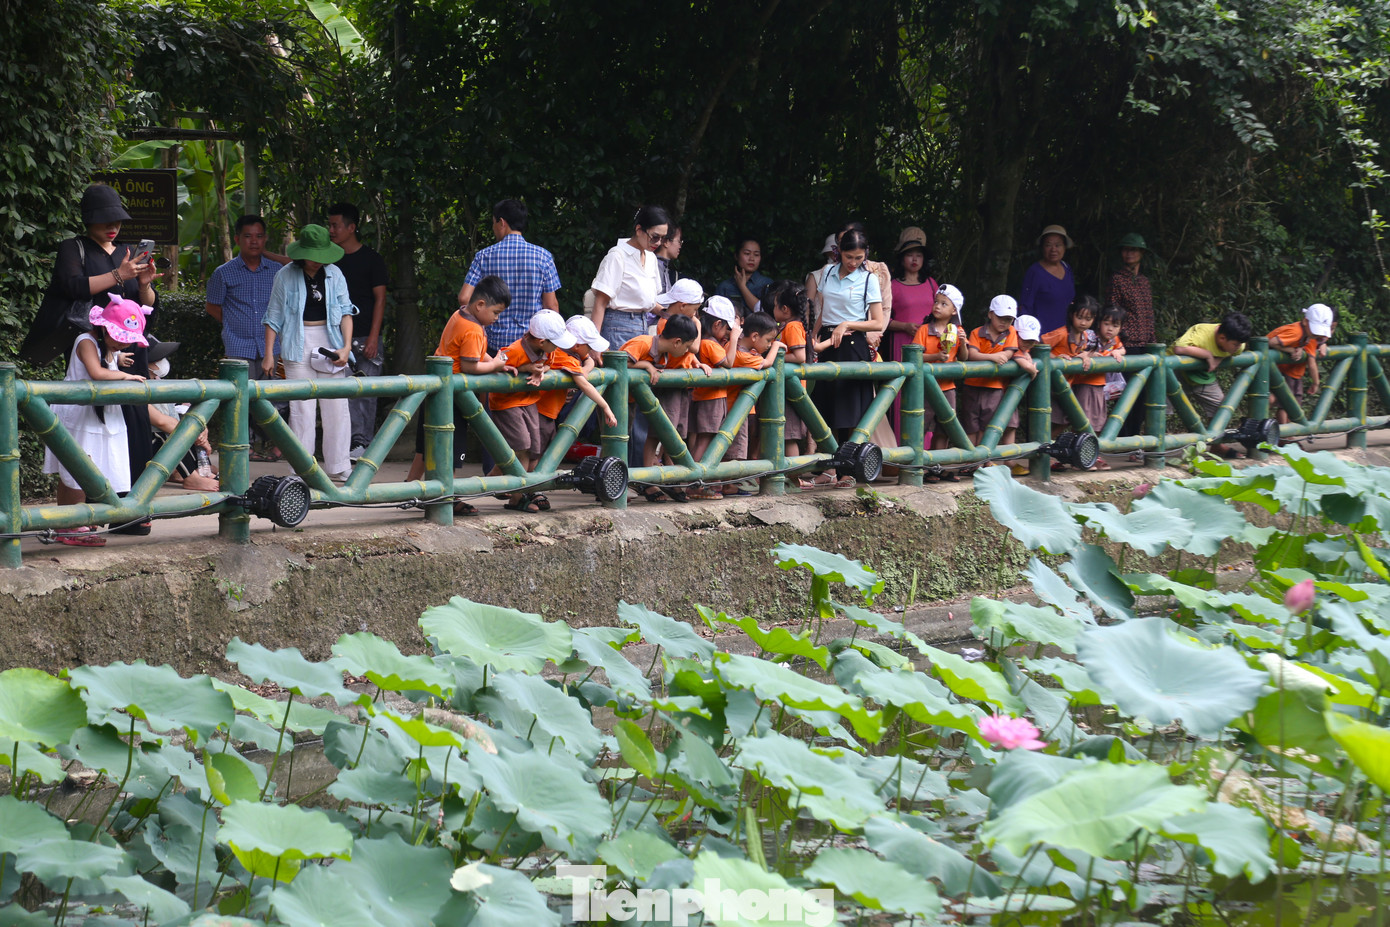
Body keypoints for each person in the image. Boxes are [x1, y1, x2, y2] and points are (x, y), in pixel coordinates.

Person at [37, 184, 162, 535]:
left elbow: (146, 309)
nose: (113, 226)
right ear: (88, 219)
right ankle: (84, 516)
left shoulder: (127, 251)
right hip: (92, 345)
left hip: (131, 348)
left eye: (117, 220)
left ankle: (131, 511)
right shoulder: (73, 248)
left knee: (134, 424)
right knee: (92, 430)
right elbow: (72, 287)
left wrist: (144, 284)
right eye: (105, 220)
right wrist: (119, 275)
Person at [42, 295, 150, 546]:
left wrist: (116, 359)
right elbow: (96, 371)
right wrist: (124, 375)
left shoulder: (107, 347)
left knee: (91, 469)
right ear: (103, 328)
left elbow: (104, 364)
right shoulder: (85, 341)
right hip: (82, 415)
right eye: (119, 337)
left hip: (100, 416)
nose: (123, 344)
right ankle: (70, 523)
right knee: (78, 469)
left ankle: (70, 521)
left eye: (127, 340)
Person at [403, 276, 516, 510]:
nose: (496, 318)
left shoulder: (460, 314)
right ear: (480, 305)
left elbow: (475, 354)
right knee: (451, 448)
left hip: (436, 389)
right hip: (453, 396)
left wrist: (494, 363)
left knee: (426, 444)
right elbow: (470, 366)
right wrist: (495, 365)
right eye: (496, 313)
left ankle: (409, 488)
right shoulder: (473, 328)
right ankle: (447, 497)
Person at [261, 225, 357, 482]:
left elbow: (346, 312)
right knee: (301, 408)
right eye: (313, 255)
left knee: (337, 406)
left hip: (331, 340)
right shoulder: (285, 275)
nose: (317, 260)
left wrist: (346, 347)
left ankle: (339, 465)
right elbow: (273, 316)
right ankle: (302, 468)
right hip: (296, 342)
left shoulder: (335, 273)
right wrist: (269, 353)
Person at [592, 205, 671, 468]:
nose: (658, 243)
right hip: (617, 325)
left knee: (638, 399)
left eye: (663, 239)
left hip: (642, 325)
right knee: (619, 402)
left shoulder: (651, 258)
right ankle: (612, 472)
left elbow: (650, 301)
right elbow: (601, 302)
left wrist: (673, 315)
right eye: (655, 237)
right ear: (639, 230)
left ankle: (632, 472)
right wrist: (594, 344)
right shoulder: (617, 256)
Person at [207, 214, 287, 461]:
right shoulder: (224, 273)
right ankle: (245, 445)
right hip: (238, 344)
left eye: (259, 236)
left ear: (265, 239)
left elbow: (301, 264)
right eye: (248, 236)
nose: (254, 241)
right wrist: (233, 324)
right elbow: (212, 306)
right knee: (240, 399)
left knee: (275, 397)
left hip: (271, 345)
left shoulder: (277, 271)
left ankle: (279, 444)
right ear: (237, 239)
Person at [488, 311, 583, 513]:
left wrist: (540, 370)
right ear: (541, 341)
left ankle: (497, 483)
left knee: (533, 449)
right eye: (555, 343)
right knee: (522, 447)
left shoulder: (548, 351)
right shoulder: (514, 350)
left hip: (530, 401)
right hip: (507, 403)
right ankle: (517, 498)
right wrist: (525, 368)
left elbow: (548, 365)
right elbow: (496, 364)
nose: (558, 347)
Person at [807, 228, 885, 471]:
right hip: (828, 343)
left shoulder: (869, 279)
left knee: (851, 411)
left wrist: (847, 324)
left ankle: (850, 471)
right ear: (838, 252)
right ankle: (829, 469)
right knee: (826, 408)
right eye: (849, 257)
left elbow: (878, 322)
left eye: (859, 258)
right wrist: (813, 336)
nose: (853, 262)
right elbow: (823, 309)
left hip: (853, 344)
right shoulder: (828, 272)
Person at [621, 313, 710, 503]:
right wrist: (646, 365)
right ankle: (632, 482)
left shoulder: (664, 353)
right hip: (618, 400)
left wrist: (696, 362)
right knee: (619, 440)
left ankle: (663, 480)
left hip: (632, 400)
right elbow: (621, 362)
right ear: (677, 342)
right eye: (687, 347)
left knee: (663, 434)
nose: (688, 351)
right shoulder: (643, 343)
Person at [456, 199, 561, 356]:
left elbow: (464, 298)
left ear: (502, 222)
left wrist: (479, 327)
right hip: (531, 347)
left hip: (493, 347)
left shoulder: (484, 256)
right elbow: (551, 306)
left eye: (493, 223)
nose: (493, 228)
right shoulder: (543, 257)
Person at [327, 203, 390, 461]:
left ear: (351, 227)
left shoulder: (372, 259)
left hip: (366, 335)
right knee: (342, 393)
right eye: (329, 225)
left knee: (366, 393)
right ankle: (349, 443)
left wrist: (374, 337)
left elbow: (380, 299)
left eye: (335, 225)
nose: (331, 230)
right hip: (336, 337)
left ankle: (364, 444)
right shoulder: (328, 259)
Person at [960, 295, 1037, 463]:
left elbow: (1011, 351)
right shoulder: (976, 332)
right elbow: (972, 354)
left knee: (987, 425)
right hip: (972, 385)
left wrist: (1022, 358)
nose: (1004, 322)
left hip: (994, 387)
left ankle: (982, 461)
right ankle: (969, 462)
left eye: (1008, 319)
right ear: (990, 314)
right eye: (1000, 317)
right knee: (970, 425)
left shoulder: (1011, 333)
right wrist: (992, 357)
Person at [1043, 295, 1117, 469]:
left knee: (1067, 420)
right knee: (1057, 422)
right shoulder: (1061, 333)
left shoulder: (1086, 337)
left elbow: (1083, 352)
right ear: (1072, 314)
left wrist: (1086, 355)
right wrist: (1054, 357)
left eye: (1088, 319)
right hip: (1053, 386)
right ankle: (1045, 455)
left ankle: (1059, 455)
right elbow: (1038, 346)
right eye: (1080, 317)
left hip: (1069, 386)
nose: (1083, 322)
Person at [1171, 311, 1253, 458]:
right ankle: (1153, 450)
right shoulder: (1202, 333)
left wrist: (1218, 359)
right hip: (1174, 371)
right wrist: (1207, 355)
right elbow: (1179, 348)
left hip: (1202, 375)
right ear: (1222, 338)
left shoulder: (1238, 345)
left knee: (1220, 408)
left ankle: (1216, 445)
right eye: (1235, 344)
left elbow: (1231, 353)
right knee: (1162, 408)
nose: (1239, 347)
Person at [721, 312, 784, 494]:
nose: (770, 344)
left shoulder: (733, 347)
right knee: (736, 450)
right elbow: (767, 363)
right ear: (755, 336)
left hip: (734, 407)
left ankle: (728, 483)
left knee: (732, 448)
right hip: (737, 409)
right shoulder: (743, 356)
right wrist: (777, 346)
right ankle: (729, 485)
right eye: (769, 340)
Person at [146, 338, 219, 493]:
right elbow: (161, 422)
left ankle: (194, 470)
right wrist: (195, 433)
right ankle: (191, 477)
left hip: (162, 439)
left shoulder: (159, 381)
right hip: (145, 446)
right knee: (167, 434)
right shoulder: (138, 386)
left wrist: (200, 429)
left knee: (187, 423)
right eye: (158, 359)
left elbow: (181, 408)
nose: (163, 362)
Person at [886, 227, 939, 440]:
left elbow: (943, 312)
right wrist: (904, 326)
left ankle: (927, 447)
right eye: (910, 255)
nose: (915, 259)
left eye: (919, 255)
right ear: (902, 258)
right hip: (902, 343)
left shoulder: (931, 284)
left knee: (929, 393)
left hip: (929, 346)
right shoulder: (892, 286)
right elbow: (882, 320)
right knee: (902, 393)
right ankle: (902, 443)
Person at [536, 315, 616, 449]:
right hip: (542, 411)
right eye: (589, 346)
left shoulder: (567, 351)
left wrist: (584, 370)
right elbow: (585, 385)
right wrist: (605, 406)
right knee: (536, 455)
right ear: (577, 345)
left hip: (549, 410)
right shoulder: (566, 359)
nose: (591, 350)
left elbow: (589, 360)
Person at [911, 284, 964, 481]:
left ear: (954, 311)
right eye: (936, 302)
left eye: (944, 304)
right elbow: (914, 356)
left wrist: (963, 343)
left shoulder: (957, 331)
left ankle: (937, 468)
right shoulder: (925, 329)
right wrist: (935, 356)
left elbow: (963, 357)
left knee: (945, 429)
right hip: (925, 387)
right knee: (921, 427)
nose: (937, 306)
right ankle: (917, 467)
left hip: (948, 387)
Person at [687, 298, 739, 497]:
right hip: (711, 399)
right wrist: (734, 339)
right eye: (727, 329)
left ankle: (698, 482)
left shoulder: (705, 342)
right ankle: (694, 485)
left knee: (704, 440)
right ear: (717, 324)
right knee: (705, 440)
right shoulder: (710, 343)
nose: (728, 333)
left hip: (705, 397)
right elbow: (729, 363)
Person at [1268, 303, 1335, 424]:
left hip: (1277, 369)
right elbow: (1271, 342)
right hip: (1269, 367)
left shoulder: (1307, 335)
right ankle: (1252, 425)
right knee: (1273, 399)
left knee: (1279, 400)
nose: (1316, 335)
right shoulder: (1296, 332)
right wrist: (1291, 350)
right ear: (1305, 321)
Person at [770, 283, 811, 481]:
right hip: (784, 388)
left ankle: (795, 478)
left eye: (775, 306)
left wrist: (772, 357)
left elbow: (800, 356)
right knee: (785, 434)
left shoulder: (793, 326)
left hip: (791, 390)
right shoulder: (786, 326)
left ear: (785, 309)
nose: (773, 309)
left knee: (790, 436)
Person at [1019, 224, 1076, 334]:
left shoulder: (1067, 268)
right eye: (1048, 245)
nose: (1053, 249)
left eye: (1058, 245)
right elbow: (1025, 307)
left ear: (1065, 247)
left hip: (1065, 335)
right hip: (1041, 336)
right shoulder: (1035, 272)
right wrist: (1028, 335)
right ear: (1042, 248)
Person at [1106, 233, 1153, 352]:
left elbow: (1149, 312)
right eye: (1125, 250)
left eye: (1133, 250)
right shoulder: (1117, 279)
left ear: (1141, 252)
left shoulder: (1144, 281)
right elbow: (1112, 310)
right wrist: (1120, 335)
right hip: (1126, 342)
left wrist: (1152, 340)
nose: (1129, 253)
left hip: (1146, 342)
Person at [715, 238, 773, 316]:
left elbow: (766, 313)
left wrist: (742, 287)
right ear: (736, 256)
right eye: (747, 253)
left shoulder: (767, 284)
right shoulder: (725, 286)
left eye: (756, 255)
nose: (751, 259)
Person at [655, 223, 683, 294]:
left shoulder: (664, 266)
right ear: (666, 242)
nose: (680, 246)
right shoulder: (654, 265)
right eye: (679, 241)